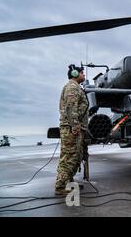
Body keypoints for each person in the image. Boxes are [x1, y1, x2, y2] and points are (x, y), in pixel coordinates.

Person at [55, 64, 88, 195]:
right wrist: (75, 126)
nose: (84, 75)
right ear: (75, 74)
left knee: (76, 156)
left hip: (74, 127)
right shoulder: (72, 88)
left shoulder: (76, 88)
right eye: (82, 73)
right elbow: (70, 108)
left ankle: (68, 182)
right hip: (71, 128)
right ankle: (61, 185)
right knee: (69, 156)